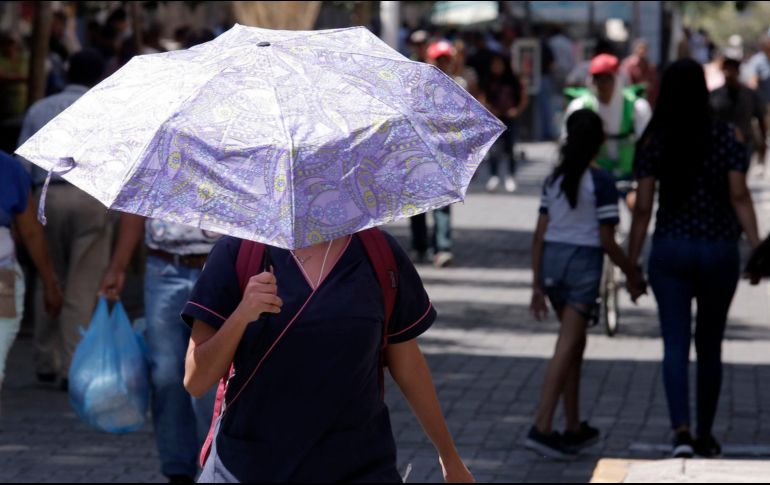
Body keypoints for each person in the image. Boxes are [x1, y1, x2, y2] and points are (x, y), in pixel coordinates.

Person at [182, 230, 474, 482]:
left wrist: (448, 456)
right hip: (249, 468)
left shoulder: (378, 252)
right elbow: (196, 380)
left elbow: (408, 366)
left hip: (359, 467)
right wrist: (242, 314)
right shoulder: (237, 251)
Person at [628, 59, 762, 459]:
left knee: (674, 344)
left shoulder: (654, 140)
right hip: (719, 249)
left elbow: (643, 207)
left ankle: (681, 432)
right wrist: (757, 247)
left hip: (670, 249)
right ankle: (705, 432)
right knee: (710, 345)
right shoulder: (727, 136)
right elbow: (739, 195)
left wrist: (631, 261)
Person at [526, 109, 646, 459]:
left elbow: (538, 235)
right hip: (582, 267)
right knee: (567, 345)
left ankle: (574, 426)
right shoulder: (603, 181)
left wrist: (536, 285)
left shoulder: (554, 180)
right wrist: (633, 273)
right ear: (600, 141)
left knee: (574, 345)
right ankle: (542, 425)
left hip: (552, 265)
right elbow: (609, 241)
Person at [17, 49, 111, 390]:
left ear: (68, 70)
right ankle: (72, 366)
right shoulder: (105, 108)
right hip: (89, 197)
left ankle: (45, 360)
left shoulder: (39, 108)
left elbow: (23, 166)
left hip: (46, 196)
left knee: (48, 275)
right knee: (82, 286)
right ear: (100, 74)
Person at [100, 215, 219, 483]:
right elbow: (135, 209)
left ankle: (212, 464)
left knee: (210, 376)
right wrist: (118, 266)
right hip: (164, 267)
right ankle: (177, 468)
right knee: (164, 375)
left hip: (218, 267)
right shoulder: (153, 170)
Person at [0, 151, 62, 414]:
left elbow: (31, 232)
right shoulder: (8, 167)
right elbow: (30, 233)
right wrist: (50, 284)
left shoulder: (9, 168)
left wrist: (50, 283)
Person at [564, 54, 652, 208]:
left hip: (629, 174)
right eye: (597, 79)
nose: (602, 85)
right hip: (594, 174)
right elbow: (568, 146)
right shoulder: (580, 107)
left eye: (607, 78)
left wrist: (641, 182)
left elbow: (648, 148)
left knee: (640, 205)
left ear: (617, 79)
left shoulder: (637, 107)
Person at [409, 40, 462, 268]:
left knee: (442, 204)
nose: (442, 64)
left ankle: (442, 248)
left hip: (444, 153)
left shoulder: (458, 85)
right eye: (438, 59)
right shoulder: (416, 86)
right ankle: (419, 246)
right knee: (418, 205)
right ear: (430, 60)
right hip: (419, 152)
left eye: (445, 59)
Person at [481, 51, 528, 194]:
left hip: (510, 119)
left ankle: (510, 175)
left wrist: (516, 111)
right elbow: (482, 97)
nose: (496, 67)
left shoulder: (513, 80)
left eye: (499, 64)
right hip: (494, 119)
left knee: (510, 148)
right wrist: (489, 109)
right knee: (494, 150)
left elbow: (523, 98)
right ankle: (493, 176)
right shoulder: (489, 80)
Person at [711, 56, 767, 170]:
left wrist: (762, 142)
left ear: (737, 71)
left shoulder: (749, 95)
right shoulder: (714, 95)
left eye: (731, 69)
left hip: (745, 141)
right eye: (726, 70)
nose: (729, 73)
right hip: (720, 143)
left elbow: (761, 118)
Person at [621, 39, 659, 105]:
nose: (642, 51)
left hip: (646, 102)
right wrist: (639, 88)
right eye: (640, 48)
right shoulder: (628, 65)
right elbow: (625, 84)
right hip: (630, 102)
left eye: (644, 49)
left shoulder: (650, 67)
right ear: (635, 49)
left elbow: (654, 86)